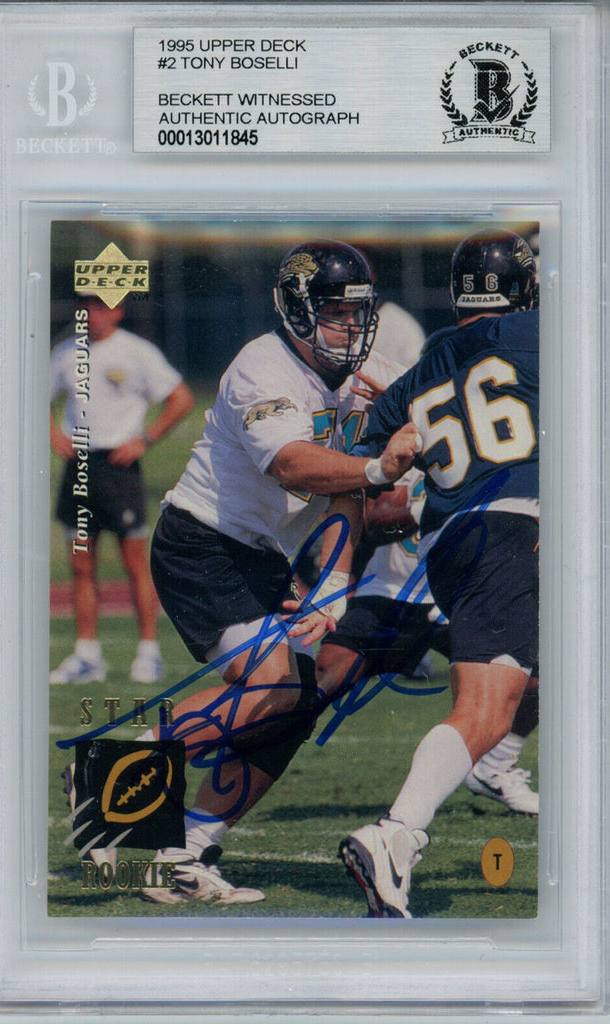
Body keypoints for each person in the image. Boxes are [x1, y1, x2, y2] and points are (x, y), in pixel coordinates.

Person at [136, 240, 421, 905]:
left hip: (258, 553)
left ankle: (188, 850)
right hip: (201, 541)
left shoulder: (363, 374)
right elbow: (294, 464)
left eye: (359, 312)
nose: (352, 327)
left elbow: (349, 492)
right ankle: (119, 772)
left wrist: (335, 586)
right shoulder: (261, 367)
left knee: (297, 702)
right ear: (295, 310)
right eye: (336, 312)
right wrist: (379, 465)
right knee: (279, 686)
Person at [338, 229, 540, 917]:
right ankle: (397, 833)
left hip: (452, 547)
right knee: (484, 708)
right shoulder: (541, 336)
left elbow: (371, 487)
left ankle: (488, 769)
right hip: (516, 529)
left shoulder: (419, 373)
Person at [49, 296, 194, 685]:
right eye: (85, 306)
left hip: (120, 468)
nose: (91, 314)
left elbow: (181, 398)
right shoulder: (65, 353)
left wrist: (145, 440)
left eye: (100, 307)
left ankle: (149, 652)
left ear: (117, 311)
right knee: (81, 564)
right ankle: (86, 655)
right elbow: (34, 396)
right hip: (80, 468)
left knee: (134, 563)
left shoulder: (136, 351)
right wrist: (54, 435)